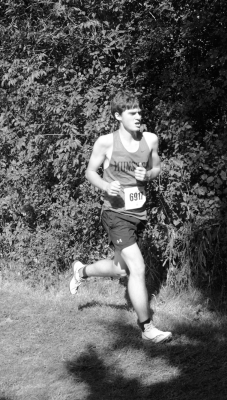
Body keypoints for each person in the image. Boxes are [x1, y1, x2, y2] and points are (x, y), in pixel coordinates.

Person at [69, 90, 172, 344]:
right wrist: (106, 186)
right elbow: (90, 172)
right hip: (115, 213)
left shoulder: (150, 140)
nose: (138, 116)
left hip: (139, 213)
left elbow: (157, 167)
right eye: (132, 112)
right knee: (137, 267)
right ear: (118, 115)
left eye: (139, 111)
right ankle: (147, 327)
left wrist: (148, 175)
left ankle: (82, 271)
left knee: (120, 268)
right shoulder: (105, 142)